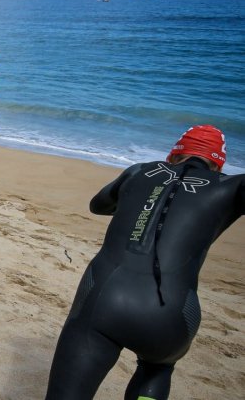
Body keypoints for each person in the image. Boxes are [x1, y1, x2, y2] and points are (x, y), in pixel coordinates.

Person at [45, 125, 243, 400]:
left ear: (173, 155)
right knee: (157, 369)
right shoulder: (231, 187)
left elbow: (99, 205)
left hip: (104, 301)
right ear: (218, 166)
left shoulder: (140, 170)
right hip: (171, 317)